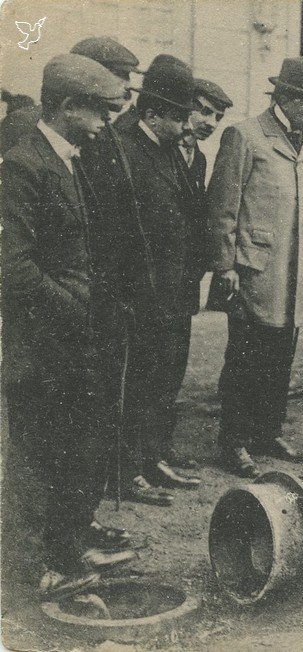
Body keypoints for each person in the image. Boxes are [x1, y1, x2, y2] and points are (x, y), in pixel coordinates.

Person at [1, 54, 138, 599]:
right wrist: (75, 307)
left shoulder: (65, 158)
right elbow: (12, 267)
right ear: (65, 107)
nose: (107, 121)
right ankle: (30, 569)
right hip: (38, 343)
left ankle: (65, 548)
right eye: (99, 112)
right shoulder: (22, 165)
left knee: (73, 445)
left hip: (67, 338)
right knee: (36, 456)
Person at [207, 57, 303, 477]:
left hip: (294, 271)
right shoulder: (245, 136)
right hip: (254, 268)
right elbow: (223, 208)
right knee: (246, 354)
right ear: (288, 99)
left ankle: (267, 431)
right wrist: (225, 265)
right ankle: (235, 441)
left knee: (282, 353)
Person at [92, 55, 206, 503]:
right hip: (136, 292)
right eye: (177, 116)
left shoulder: (165, 148)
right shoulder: (119, 146)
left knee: (160, 381)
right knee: (131, 385)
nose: (184, 126)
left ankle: (151, 457)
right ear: (152, 112)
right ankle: (124, 472)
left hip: (171, 290)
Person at [1, 37, 141, 156]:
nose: (128, 84)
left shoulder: (116, 127)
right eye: (119, 74)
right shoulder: (23, 123)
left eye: (128, 75)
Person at [181, 78, 233, 194]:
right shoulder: (163, 149)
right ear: (188, 108)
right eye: (206, 112)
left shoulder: (199, 159)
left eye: (218, 118)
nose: (212, 124)